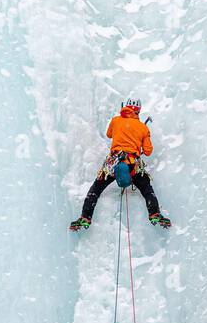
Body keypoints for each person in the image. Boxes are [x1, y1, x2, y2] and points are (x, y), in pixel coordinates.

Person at [69, 99, 171, 231]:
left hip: (113, 163)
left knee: (96, 188)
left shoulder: (116, 120)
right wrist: (139, 136)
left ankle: (85, 217)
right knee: (146, 188)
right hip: (133, 164)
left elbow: (109, 134)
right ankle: (154, 213)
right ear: (138, 110)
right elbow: (148, 151)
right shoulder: (143, 128)